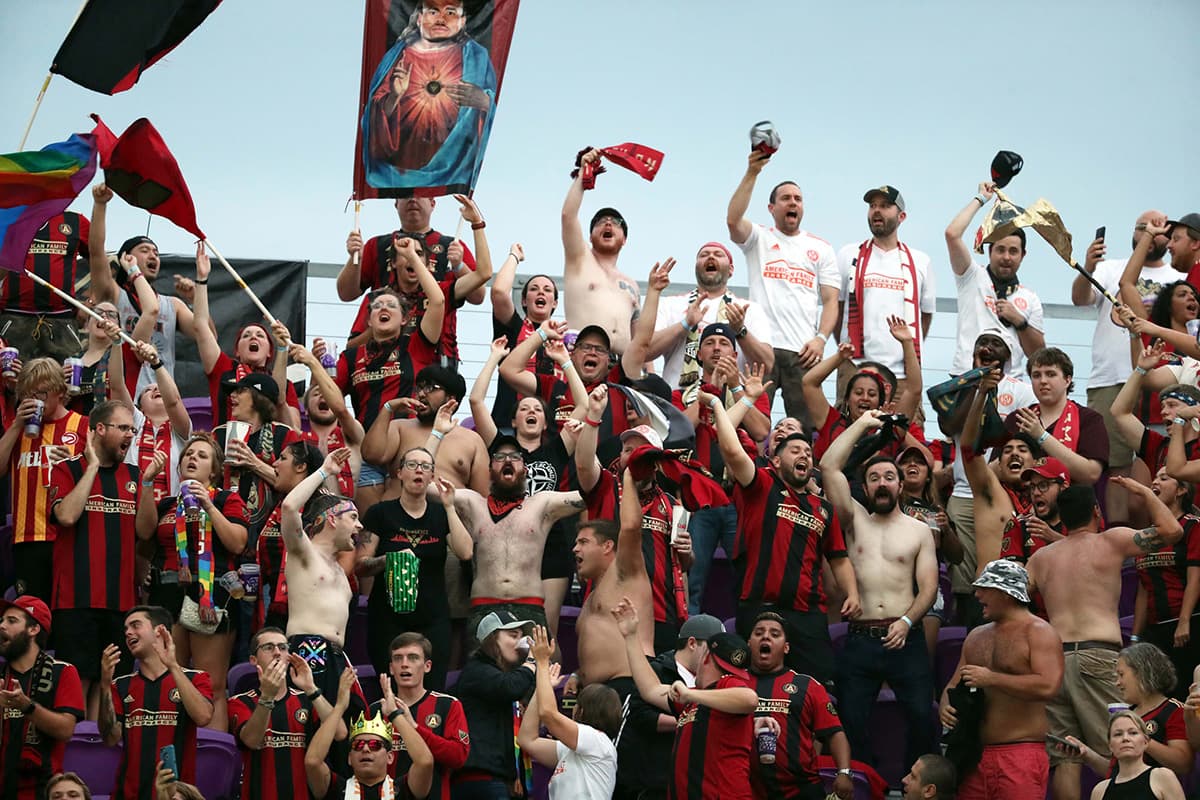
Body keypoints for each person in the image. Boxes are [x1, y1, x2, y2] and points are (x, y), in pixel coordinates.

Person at [1027, 481, 1185, 800]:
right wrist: (1143, 491)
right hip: (1096, 656)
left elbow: (1011, 597)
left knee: (1066, 756)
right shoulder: (1110, 541)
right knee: (1120, 747)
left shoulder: (1042, 558)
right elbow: (1173, 531)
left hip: (1054, 662)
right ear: (1097, 511)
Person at [706, 388, 859, 686]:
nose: (804, 454)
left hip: (808, 615)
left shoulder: (823, 509)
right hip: (760, 608)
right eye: (794, 450)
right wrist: (729, 401)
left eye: (807, 452)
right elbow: (731, 447)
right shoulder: (760, 485)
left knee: (816, 689)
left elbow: (839, 559)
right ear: (775, 462)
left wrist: (852, 593)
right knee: (752, 689)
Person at [820, 410, 939, 768]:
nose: (883, 483)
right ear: (865, 487)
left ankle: (913, 783)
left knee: (922, 715)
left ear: (901, 485)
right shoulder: (855, 520)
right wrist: (864, 423)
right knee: (850, 720)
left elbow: (929, 588)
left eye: (890, 477)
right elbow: (828, 466)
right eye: (874, 478)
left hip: (907, 635)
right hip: (862, 637)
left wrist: (906, 621)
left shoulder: (918, 530)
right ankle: (865, 782)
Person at [469, 338, 584, 640]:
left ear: (546, 422)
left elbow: (584, 405)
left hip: (552, 546)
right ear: (514, 419)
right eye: (524, 408)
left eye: (537, 408)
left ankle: (547, 686)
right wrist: (494, 357)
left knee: (546, 631)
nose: (531, 411)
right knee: (503, 632)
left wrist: (565, 361)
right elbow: (476, 402)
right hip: (508, 542)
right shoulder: (502, 448)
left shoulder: (557, 450)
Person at [136, 433, 249, 730]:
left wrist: (208, 506)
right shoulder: (167, 504)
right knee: (168, 680)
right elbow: (144, 535)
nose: (192, 458)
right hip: (166, 593)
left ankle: (212, 760)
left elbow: (237, 543)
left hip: (209, 597)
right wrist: (147, 483)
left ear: (214, 470)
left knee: (209, 683)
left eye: (201, 455)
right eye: (188, 454)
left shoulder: (226, 499)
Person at [1078, 212, 1181, 522]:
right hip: (1110, 377)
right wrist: (1087, 267)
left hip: (1164, 378)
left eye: (1163, 230)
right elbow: (1080, 298)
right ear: (1134, 233)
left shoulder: (1178, 275)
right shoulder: (1109, 269)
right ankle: (1115, 532)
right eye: (1144, 228)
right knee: (1111, 460)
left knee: (1163, 457)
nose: (1152, 233)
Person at [576, 389, 696, 653]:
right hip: (609, 613)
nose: (632, 454)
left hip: (661, 615)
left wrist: (687, 553)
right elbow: (584, 466)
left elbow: (683, 564)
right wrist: (594, 416)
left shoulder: (672, 505)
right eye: (627, 449)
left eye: (641, 450)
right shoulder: (605, 488)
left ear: (654, 461)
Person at [726, 149, 839, 425]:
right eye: (786, 198)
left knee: (807, 428)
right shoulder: (759, 238)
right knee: (752, 423)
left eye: (798, 199)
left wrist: (821, 339)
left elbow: (831, 300)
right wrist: (753, 172)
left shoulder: (820, 248)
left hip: (803, 352)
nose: (793, 203)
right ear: (772, 208)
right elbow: (733, 220)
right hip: (760, 348)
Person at [613, 595, 759, 800]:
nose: (730, 676)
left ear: (706, 657)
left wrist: (691, 694)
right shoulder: (695, 702)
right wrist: (630, 637)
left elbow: (750, 699)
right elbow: (650, 689)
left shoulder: (723, 686)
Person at [338, 236, 447, 509]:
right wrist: (316, 365)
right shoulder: (351, 357)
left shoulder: (417, 346)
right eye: (376, 306)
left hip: (411, 451)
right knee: (370, 532)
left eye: (391, 305)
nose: (383, 308)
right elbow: (329, 402)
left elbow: (437, 301)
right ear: (369, 318)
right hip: (370, 453)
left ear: (405, 317)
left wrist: (412, 257)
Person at [939, 560, 1063, 800]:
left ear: (1005, 593)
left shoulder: (1038, 631)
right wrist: (945, 706)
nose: (977, 595)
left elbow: (1048, 686)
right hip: (975, 755)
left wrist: (992, 678)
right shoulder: (976, 636)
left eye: (984, 589)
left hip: (1021, 753)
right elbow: (954, 684)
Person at [443, 435, 585, 642]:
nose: (508, 460)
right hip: (484, 607)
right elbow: (418, 484)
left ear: (525, 470)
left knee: (536, 670)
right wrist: (438, 433)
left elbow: (591, 493)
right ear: (489, 470)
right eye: (500, 457)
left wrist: (589, 433)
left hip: (529, 607)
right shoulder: (472, 503)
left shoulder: (542, 503)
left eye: (515, 457)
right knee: (483, 673)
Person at [48, 400, 140, 717]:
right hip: (76, 601)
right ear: (99, 429)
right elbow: (67, 516)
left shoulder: (135, 475)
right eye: (124, 428)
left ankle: (106, 758)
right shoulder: (66, 470)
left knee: (113, 687)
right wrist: (90, 467)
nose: (130, 435)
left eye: (133, 429)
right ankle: (76, 760)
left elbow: (147, 532)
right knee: (78, 686)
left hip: (121, 603)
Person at [357, 450, 472, 689]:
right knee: (389, 688)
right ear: (399, 473)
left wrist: (450, 507)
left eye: (425, 466)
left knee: (432, 690)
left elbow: (466, 552)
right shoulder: (380, 513)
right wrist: (386, 560)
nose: (419, 469)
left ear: (431, 476)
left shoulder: (440, 515)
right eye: (412, 464)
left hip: (433, 619)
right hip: (387, 618)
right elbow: (360, 564)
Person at [361, 0, 497, 195]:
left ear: (463, 21)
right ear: (418, 19)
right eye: (433, 11)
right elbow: (371, 119)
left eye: (450, 12)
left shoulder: (477, 58)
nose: (441, 18)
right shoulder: (398, 56)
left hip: (453, 167)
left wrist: (483, 101)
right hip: (399, 169)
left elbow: (493, 106)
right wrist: (394, 97)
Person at [342, 196, 485, 364]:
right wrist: (354, 256)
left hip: (437, 355)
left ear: (433, 203)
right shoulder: (377, 245)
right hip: (383, 360)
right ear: (396, 204)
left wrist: (459, 265)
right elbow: (346, 293)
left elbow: (478, 295)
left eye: (421, 195)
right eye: (406, 195)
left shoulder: (451, 245)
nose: (412, 200)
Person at [88, 185, 198, 396]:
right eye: (145, 250)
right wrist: (100, 205)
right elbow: (96, 253)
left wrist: (196, 298)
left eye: (156, 252)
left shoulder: (172, 304)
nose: (153, 256)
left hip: (161, 398)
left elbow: (207, 335)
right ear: (124, 258)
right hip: (121, 394)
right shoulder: (114, 293)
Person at [99, 606, 214, 800]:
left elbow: (203, 717)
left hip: (176, 795)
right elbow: (110, 737)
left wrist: (172, 665)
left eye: (135, 625)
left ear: (159, 631)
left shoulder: (196, 678)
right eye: (125, 629)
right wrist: (104, 685)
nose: (128, 632)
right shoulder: (121, 685)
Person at [0, 357, 88, 603]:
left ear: (60, 392)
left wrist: (72, 465)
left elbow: (94, 478)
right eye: (27, 394)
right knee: (31, 614)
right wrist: (17, 424)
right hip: (27, 537)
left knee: (65, 613)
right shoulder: (16, 429)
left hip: (68, 538)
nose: (33, 401)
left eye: (40, 393)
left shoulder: (82, 426)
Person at [836, 185, 935, 401]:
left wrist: (908, 349)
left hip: (903, 375)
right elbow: (837, 307)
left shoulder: (920, 261)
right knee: (848, 431)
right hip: (856, 369)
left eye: (885, 206)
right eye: (872, 206)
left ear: (902, 216)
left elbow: (925, 315)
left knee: (905, 432)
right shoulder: (848, 254)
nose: (876, 211)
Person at [280, 447, 363, 706]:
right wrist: (324, 471)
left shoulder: (339, 570)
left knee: (340, 734)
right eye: (353, 517)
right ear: (332, 519)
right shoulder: (304, 553)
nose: (359, 526)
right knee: (312, 728)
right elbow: (290, 506)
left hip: (338, 656)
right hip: (308, 650)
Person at [616, 614, 726, 800]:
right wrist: (689, 722)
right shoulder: (656, 671)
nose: (717, 658)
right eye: (713, 650)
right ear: (692, 643)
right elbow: (640, 715)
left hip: (689, 782)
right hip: (651, 781)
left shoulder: (714, 679)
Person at [747, 610, 854, 800]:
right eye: (759, 632)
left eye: (775, 634)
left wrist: (844, 772)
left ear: (786, 648)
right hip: (746, 789)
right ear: (749, 643)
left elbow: (834, 733)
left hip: (801, 791)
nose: (765, 636)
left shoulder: (807, 686)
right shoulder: (732, 684)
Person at [192, 245, 302, 430]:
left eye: (261, 336)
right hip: (226, 452)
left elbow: (293, 430)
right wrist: (201, 279)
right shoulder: (223, 369)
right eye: (246, 335)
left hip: (265, 456)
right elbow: (201, 326)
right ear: (237, 350)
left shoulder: (286, 385)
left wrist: (283, 348)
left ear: (269, 352)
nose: (254, 337)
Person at [228, 626, 343, 800]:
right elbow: (252, 740)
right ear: (253, 660)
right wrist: (267, 696)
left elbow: (340, 733)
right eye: (268, 647)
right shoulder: (240, 702)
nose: (277, 652)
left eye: (283, 648)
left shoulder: (307, 699)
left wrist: (311, 688)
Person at [944, 182, 1045, 376]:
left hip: (1009, 385)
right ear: (990, 251)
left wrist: (1020, 321)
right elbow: (952, 234)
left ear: (1023, 255)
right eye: (1000, 249)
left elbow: (1038, 355)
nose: (1007, 257)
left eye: (1013, 251)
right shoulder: (971, 276)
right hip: (966, 377)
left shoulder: (1029, 297)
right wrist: (981, 198)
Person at [647, 241, 774, 387]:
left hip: (731, 404)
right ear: (696, 267)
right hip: (678, 402)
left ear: (731, 270)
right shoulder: (670, 304)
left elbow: (767, 364)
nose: (711, 257)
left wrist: (740, 331)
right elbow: (646, 351)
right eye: (704, 255)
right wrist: (685, 324)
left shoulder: (749, 309)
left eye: (718, 254)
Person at [572, 466, 654, 686]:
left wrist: (628, 476)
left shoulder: (625, 572)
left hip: (629, 685)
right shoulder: (593, 596)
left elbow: (630, 527)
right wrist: (578, 676)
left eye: (583, 542)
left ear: (608, 546)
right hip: (596, 695)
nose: (575, 549)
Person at [517, 626, 620, 800]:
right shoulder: (572, 749)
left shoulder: (597, 741)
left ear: (582, 710)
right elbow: (527, 740)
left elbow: (548, 715)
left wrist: (542, 664)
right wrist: (544, 687)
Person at [1065, 643, 1192, 782]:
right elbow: (1115, 773)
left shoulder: (1174, 710)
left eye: (1121, 675)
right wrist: (1085, 753)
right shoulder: (1126, 715)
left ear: (1142, 672)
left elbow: (1183, 764)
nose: (1117, 683)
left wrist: (1142, 739)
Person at [0, 595, 84, 800]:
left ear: (33, 629)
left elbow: (65, 730)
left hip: (43, 790)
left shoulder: (63, 671)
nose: (1, 625)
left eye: (11, 621)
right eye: (1, 620)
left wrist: (26, 706)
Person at [306, 668, 435, 800]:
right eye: (358, 745)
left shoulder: (403, 790)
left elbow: (425, 761)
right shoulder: (337, 789)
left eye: (375, 745)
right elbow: (312, 761)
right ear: (350, 758)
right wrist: (339, 707)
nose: (366, 749)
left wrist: (394, 714)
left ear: (390, 757)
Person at [803, 317, 922, 460]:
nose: (864, 397)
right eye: (858, 392)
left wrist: (908, 343)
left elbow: (914, 390)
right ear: (847, 398)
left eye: (872, 394)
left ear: (880, 401)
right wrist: (840, 357)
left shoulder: (890, 430)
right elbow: (809, 383)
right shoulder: (831, 422)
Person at [368, 633, 470, 800]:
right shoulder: (376, 710)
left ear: (427, 666)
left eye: (413, 658)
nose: (405, 664)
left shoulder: (448, 705)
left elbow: (458, 757)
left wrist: (414, 727)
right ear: (391, 668)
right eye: (398, 658)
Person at [561, 149, 642, 355]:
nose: (608, 222)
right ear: (589, 236)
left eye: (616, 223)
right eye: (599, 222)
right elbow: (568, 216)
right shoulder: (580, 260)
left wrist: (645, 373)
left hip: (621, 368)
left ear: (624, 239)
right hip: (582, 359)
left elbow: (638, 336)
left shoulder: (631, 285)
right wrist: (583, 174)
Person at [453, 611, 536, 799]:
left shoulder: (498, 674)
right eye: (513, 635)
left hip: (497, 779)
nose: (521, 641)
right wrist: (532, 661)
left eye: (522, 636)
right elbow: (511, 687)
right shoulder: (478, 670)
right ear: (492, 639)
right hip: (478, 779)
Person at [1131, 468, 1200, 693]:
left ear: (1181, 490)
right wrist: (1135, 635)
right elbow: (1144, 587)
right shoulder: (1147, 535)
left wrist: (1184, 621)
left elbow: (1195, 578)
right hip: (1155, 631)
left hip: (1188, 627)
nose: (1154, 481)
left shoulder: (1193, 526)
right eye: (1154, 477)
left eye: (1164, 478)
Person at [897, 445, 964, 658]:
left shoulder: (938, 511)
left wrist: (946, 530)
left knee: (923, 660)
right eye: (906, 462)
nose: (913, 464)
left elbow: (957, 556)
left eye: (919, 462)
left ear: (928, 476)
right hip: (895, 584)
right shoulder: (888, 504)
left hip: (929, 588)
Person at [1005, 347, 1108, 486]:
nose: (1043, 381)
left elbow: (1091, 474)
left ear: (1067, 380)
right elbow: (993, 470)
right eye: (1036, 375)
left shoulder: (1089, 419)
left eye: (1050, 374)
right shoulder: (1018, 418)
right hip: (1019, 503)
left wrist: (1041, 436)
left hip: (1069, 503)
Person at [211, 373, 303, 524]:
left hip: (271, 527)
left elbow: (296, 485)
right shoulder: (219, 434)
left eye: (240, 391)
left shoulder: (283, 434)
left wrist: (253, 463)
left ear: (259, 397)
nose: (232, 396)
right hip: (224, 524)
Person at [0, 210, 90, 361]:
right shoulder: (10, 218)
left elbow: (98, 257)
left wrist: (91, 300)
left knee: (64, 381)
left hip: (61, 320)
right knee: (10, 379)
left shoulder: (77, 221)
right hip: (15, 317)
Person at [488, 244, 561, 424]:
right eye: (534, 289)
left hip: (548, 428)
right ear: (524, 300)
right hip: (507, 423)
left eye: (547, 289)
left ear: (555, 304)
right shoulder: (513, 327)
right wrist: (514, 256)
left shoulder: (563, 342)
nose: (541, 292)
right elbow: (498, 293)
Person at [123, 342, 194, 505]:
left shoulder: (181, 429)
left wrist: (156, 362)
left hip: (171, 513)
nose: (156, 390)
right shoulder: (134, 422)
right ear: (139, 406)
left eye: (160, 388)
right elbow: (117, 386)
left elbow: (173, 403)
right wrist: (116, 343)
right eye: (148, 390)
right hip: (131, 506)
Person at [1086, 711, 1186, 800]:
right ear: (1110, 746)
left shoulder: (1163, 776)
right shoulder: (1099, 791)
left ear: (1146, 742)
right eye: (1118, 734)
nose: (1125, 738)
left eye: (1133, 733)